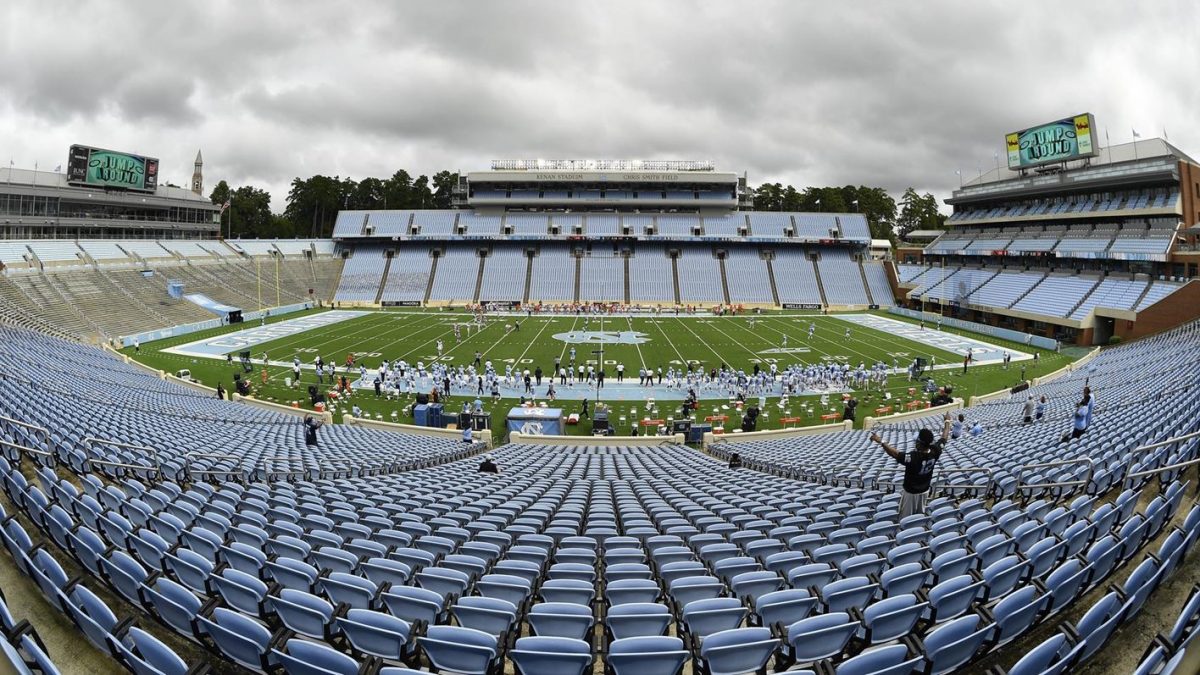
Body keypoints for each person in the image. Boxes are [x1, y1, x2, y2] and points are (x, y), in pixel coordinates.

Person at [869, 411, 952, 518]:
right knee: (919, 515)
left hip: (911, 493)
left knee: (905, 517)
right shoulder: (936, 450)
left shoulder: (913, 457)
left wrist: (880, 441)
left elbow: (894, 453)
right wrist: (947, 421)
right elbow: (944, 437)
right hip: (925, 490)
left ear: (920, 444)